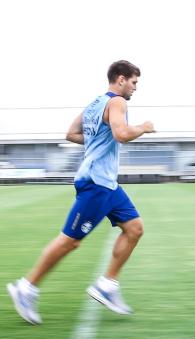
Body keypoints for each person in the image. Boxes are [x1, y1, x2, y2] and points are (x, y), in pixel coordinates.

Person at [7, 60, 155, 325]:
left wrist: (100, 136)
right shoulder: (118, 102)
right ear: (120, 79)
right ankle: (26, 287)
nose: (135, 88)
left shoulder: (94, 105)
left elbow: (72, 134)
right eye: (134, 82)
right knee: (70, 240)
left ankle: (107, 285)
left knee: (135, 228)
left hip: (108, 184)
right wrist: (143, 127)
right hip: (97, 182)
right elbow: (121, 134)